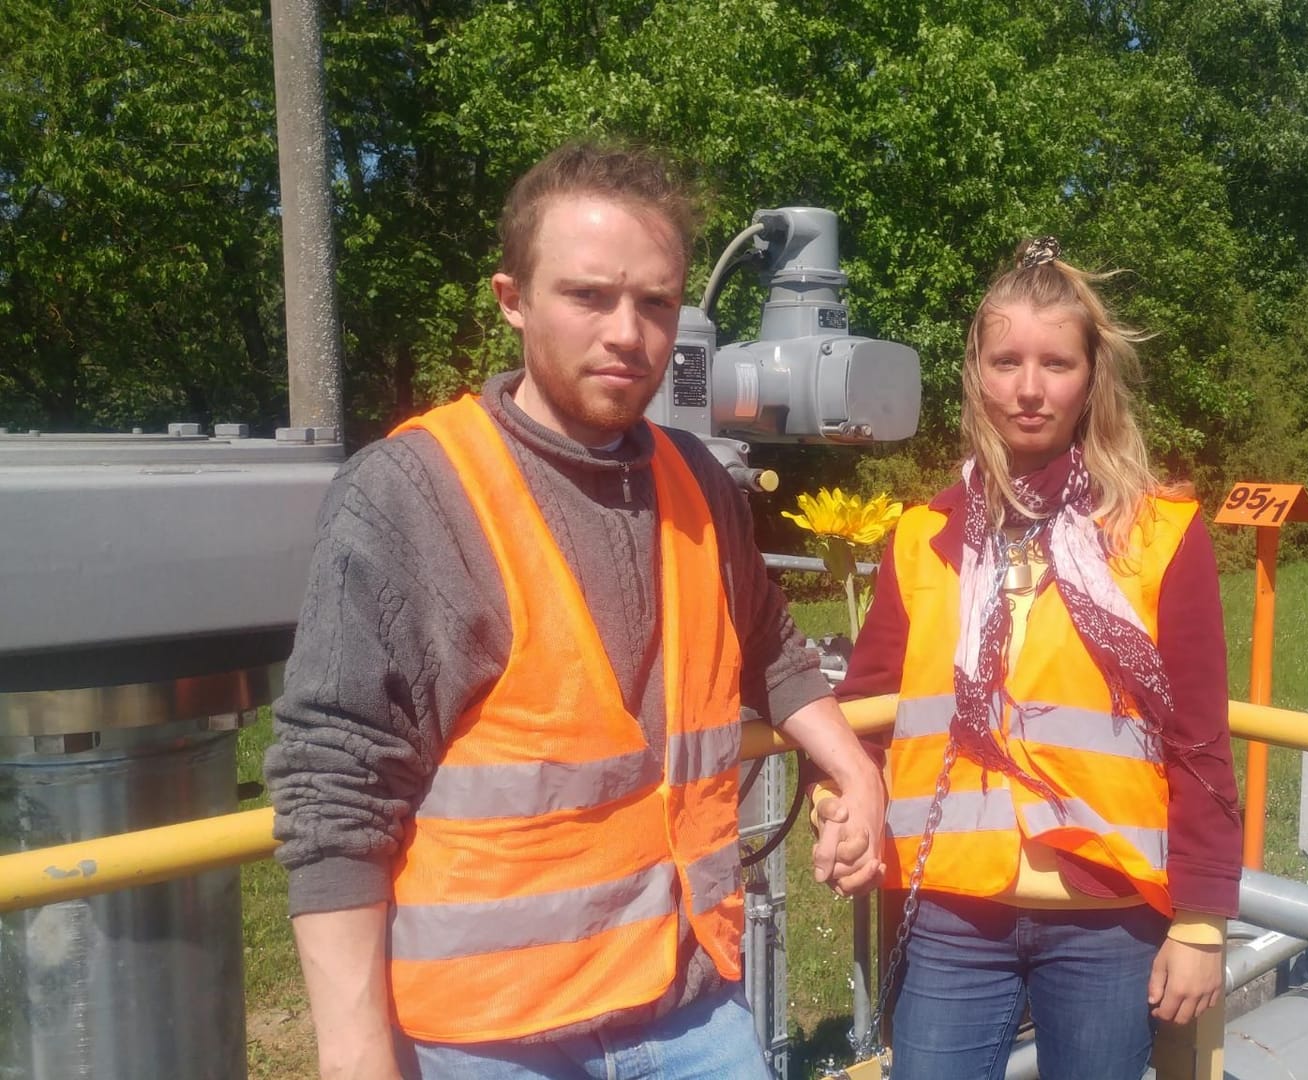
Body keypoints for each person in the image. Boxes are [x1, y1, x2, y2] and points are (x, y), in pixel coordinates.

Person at [264, 140, 886, 1080]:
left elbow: (770, 645)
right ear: (511, 300)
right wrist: (355, 1054)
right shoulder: (413, 495)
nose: (627, 333)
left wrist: (853, 768)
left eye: (654, 303)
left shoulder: (699, 487)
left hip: (691, 1011)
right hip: (491, 1038)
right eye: (588, 296)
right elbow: (335, 786)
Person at [835, 238, 1242, 1079]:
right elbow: (864, 713)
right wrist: (839, 805)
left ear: (1093, 376)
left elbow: (1199, 738)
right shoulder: (924, 536)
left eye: (1056, 363)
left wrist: (1201, 923)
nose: (1028, 388)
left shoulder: (1160, 533)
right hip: (951, 912)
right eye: (1006, 360)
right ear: (975, 373)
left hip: (1109, 915)